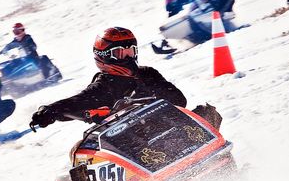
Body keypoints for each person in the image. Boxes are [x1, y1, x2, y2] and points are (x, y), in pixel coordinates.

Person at [30, 27, 220, 130]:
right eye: (121, 54)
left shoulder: (147, 73)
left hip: (167, 128)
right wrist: (50, 111)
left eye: (131, 52)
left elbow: (179, 100)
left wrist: (149, 95)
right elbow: (78, 102)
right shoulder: (103, 86)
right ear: (103, 56)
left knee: (207, 112)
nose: (128, 58)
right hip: (131, 141)